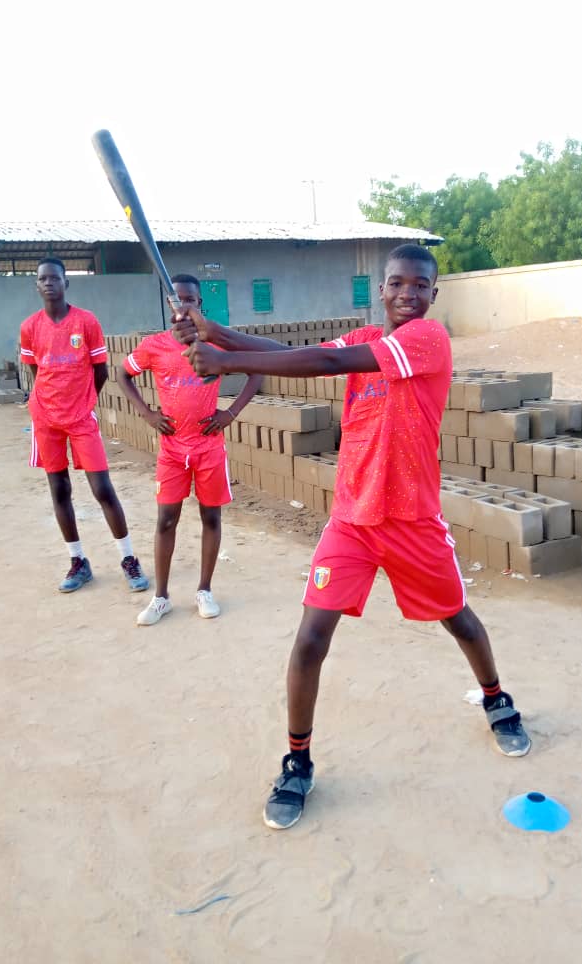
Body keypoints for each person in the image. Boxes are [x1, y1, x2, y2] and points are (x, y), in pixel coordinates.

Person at [173, 244, 530, 830]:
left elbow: (327, 365)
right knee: (311, 637)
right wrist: (216, 332)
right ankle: (297, 760)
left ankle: (496, 699)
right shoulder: (366, 335)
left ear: (433, 295)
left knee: (458, 617)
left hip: (412, 520)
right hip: (352, 521)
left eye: (420, 285)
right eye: (397, 283)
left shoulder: (427, 341)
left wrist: (225, 361)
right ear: (380, 288)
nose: (407, 294)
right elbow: (293, 354)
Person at [118, 274, 262, 626]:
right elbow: (123, 375)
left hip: (208, 446)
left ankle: (204, 590)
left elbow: (256, 370)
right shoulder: (154, 346)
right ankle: (161, 597)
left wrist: (230, 412)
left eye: (190, 300)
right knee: (166, 519)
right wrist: (148, 414)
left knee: (211, 518)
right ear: (168, 306)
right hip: (171, 450)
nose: (182, 306)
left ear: (200, 306)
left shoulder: (216, 344)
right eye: (176, 299)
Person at [20, 258, 149, 594]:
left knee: (102, 489)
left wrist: (82, 402)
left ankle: (128, 558)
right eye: (42, 279)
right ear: (37, 285)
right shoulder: (30, 327)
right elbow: (36, 373)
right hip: (46, 419)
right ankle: (78, 561)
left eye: (55, 278)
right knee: (59, 490)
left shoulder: (86, 322)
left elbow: (101, 370)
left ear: (66, 283)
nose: (48, 283)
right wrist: (50, 402)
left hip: (81, 419)